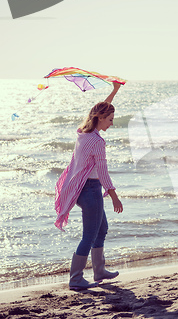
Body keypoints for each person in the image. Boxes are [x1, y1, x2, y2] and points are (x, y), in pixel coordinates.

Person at [54, 82, 124, 290]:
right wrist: (114, 196)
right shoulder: (97, 142)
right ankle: (76, 279)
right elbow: (103, 173)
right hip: (91, 191)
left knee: (101, 229)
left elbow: (97, 110)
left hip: (82, 189)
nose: (111, 123)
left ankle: (99, 270)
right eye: (110, 120)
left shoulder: (83, 132)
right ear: (100, 119)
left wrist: (114, 91)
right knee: (90, 235)